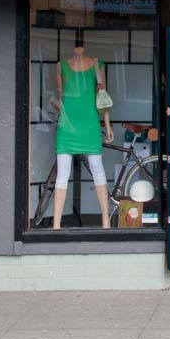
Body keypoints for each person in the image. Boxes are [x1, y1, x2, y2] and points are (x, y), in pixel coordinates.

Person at [52, 42, 113, 229]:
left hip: (89, 124)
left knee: (97, 170)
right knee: (62, 174)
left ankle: (106, 221)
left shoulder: (97, 65)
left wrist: (107, 125)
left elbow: (102, 97)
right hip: (67, 125)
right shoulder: (61, 65)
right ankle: (56, 225)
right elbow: (60, 95)